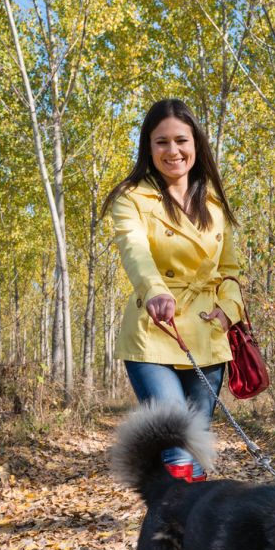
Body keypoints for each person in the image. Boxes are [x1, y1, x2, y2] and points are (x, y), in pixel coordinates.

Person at [108, 99, 244, 482]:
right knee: (174, 440)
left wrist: (227, 310)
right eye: (161, 142)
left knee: (195, 444)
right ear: (148, 149)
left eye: (180, 140)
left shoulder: (215, 204)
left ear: (195, 144)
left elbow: (231, 270)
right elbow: (134, 251)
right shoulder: (131, 198)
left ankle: (183, 530)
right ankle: (176, 528)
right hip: (154, 333)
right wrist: (154, 290)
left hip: (207, 333)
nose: (172, 151)